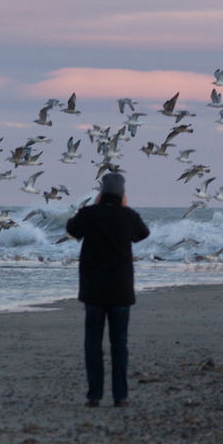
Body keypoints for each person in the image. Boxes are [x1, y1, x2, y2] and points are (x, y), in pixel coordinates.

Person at [66, 172, 150, 407]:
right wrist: (125, 208)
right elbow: (143, 234)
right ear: (122, 194)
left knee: (93, 343)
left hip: (93, 290)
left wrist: (92, 207)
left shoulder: (89, 214)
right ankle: (120, 396)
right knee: (119, 344)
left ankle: (94, 395)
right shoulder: (128, 216)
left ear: (101, 193)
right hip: (120, 291)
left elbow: (72, 229)